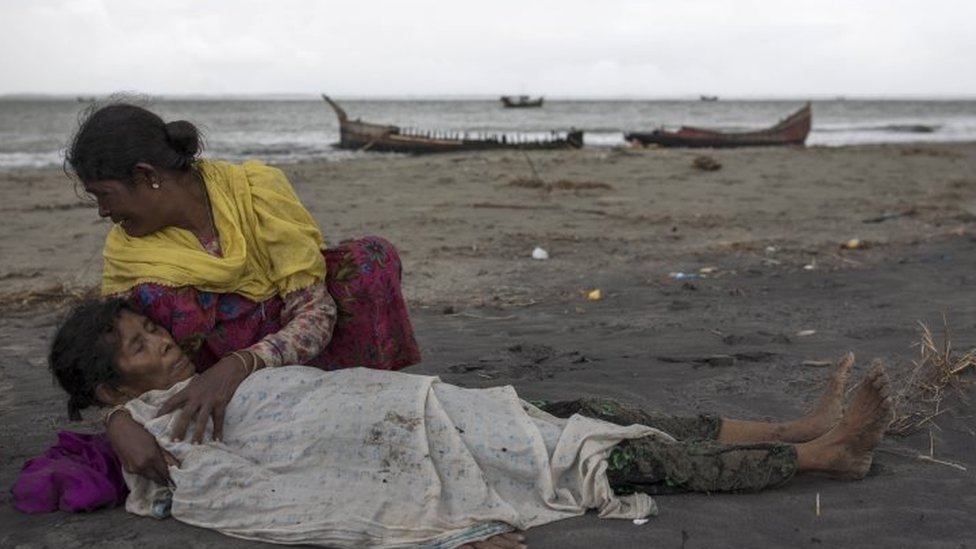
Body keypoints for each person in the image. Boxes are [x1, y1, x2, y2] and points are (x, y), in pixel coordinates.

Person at [29, 299, 894, 548]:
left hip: (439, 407)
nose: (163, 343)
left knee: (611, 412)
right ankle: (823, 457)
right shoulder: (148, 425)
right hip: (412, 452)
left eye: (152, 329)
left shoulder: (222, 367)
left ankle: (794, 423)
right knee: (614, 460)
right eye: (141, 346)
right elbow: (241, 494)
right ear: (112, 383)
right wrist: (443, 530)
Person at [63, 101, 421, 485]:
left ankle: (366, 401)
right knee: (152, 300)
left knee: (369, 259)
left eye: (104, 195)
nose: (102, 211)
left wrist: (238, 364)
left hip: (303, 359)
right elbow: (113, 352)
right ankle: (227, 427)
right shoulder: (127, 249)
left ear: (146, 175)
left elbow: (316, 315)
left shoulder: (254, 191)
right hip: (218, 395)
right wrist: (119, 420)